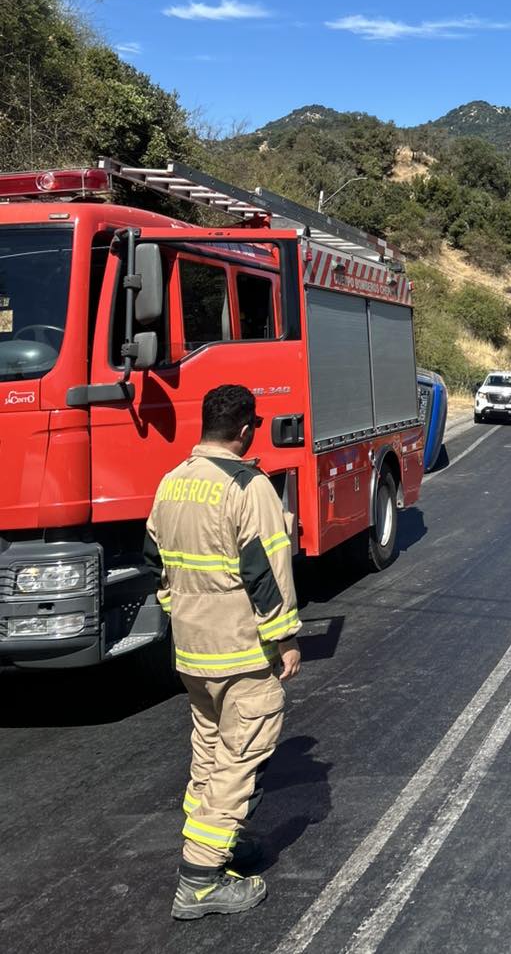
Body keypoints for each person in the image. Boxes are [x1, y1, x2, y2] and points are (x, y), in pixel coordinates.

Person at [145, 384, 302, 920]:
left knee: (210, 750)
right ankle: (200, 880)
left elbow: (156, 561)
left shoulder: (172, 481)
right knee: (240, 758)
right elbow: (267, 572)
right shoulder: (248, 486)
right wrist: (284, 638)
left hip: (193, 650)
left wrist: (182, 612)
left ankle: (219, 844)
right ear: (245, 430)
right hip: (241, 652)